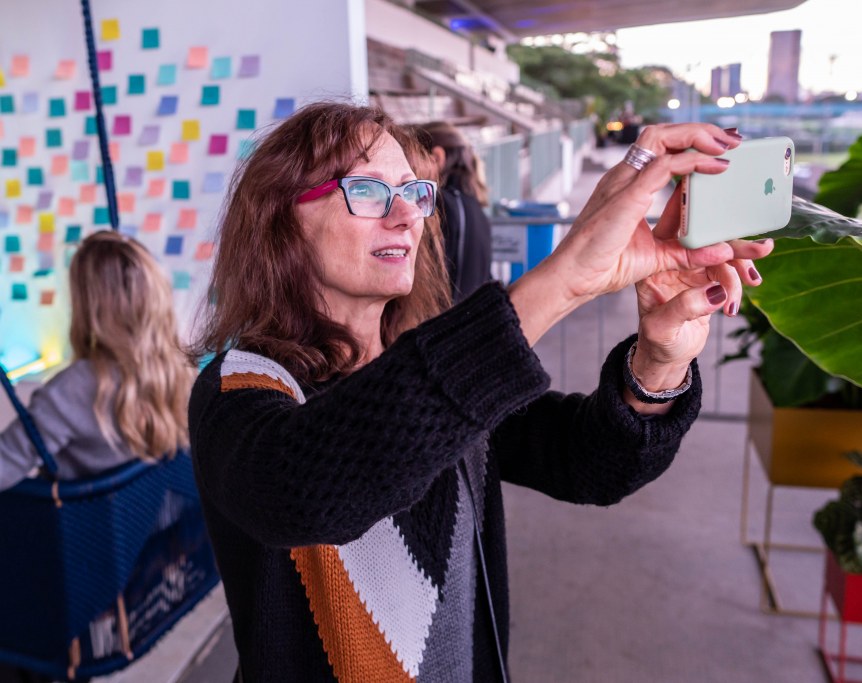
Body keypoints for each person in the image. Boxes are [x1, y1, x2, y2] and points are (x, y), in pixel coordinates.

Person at [187, 100, 771, 682]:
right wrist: (565, 279)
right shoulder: (238, 391)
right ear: (280, 219)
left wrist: (660, 361)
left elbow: (589, 462)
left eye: (413, 192)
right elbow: (306, 490)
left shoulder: (434, 371)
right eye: (366, 191)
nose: (405, 216)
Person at [0, 230, 193, 488]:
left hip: (73, 515)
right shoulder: (181, 370)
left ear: (89, 304)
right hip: (153, 512)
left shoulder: (74, 388)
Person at [413, 121, 494, 301]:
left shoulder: (439, 204)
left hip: (443, 316)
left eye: (413, 160)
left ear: (437, 157)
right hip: (470, 316)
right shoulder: (476, 208)